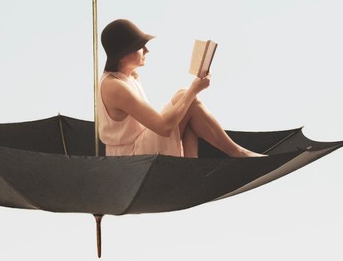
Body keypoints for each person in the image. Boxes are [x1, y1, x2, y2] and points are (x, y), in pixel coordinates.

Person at [96, 18, 264, 158]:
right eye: (141, 46)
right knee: (187, 98)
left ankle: (191, 166)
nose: (146, 51)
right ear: (124, 54)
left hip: (137, 148)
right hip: (130, 158)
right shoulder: (115, 87)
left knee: (182, 97)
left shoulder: (128, 77)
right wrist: (194, 89)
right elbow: (164, 127)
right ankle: (237, 152)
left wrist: (189, 93)